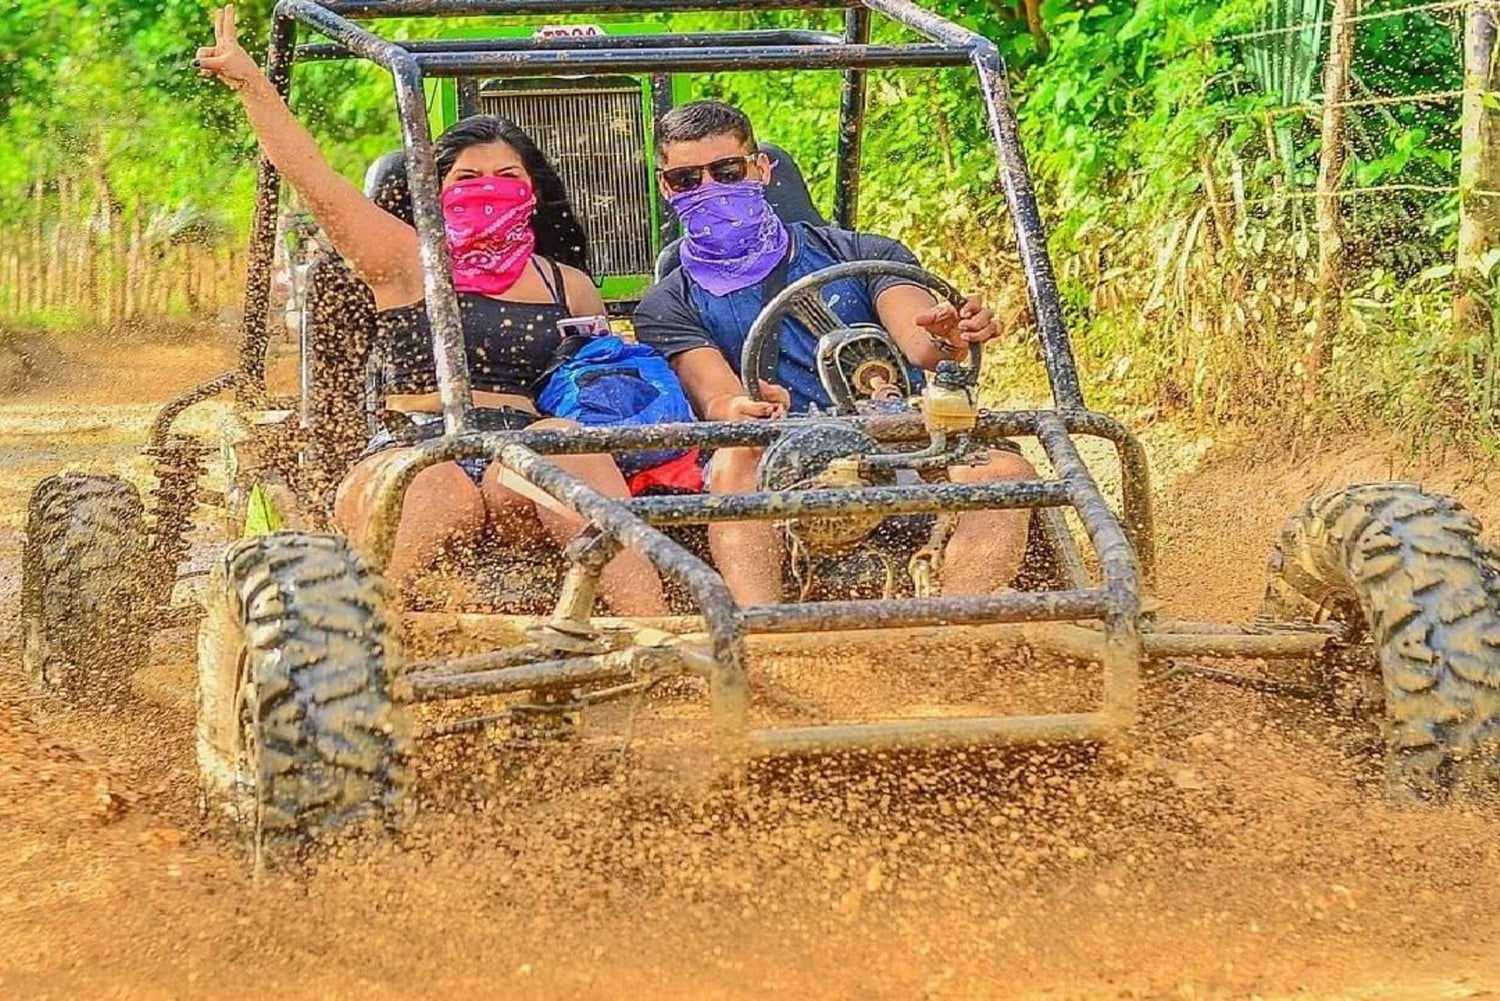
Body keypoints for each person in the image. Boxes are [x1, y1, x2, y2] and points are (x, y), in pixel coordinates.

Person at [195, 6, 667, 615]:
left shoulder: (567, 285)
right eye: (469, 177)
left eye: (506, 176)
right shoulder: (403, 261)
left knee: (565, 445)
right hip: (409, 452)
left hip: (517, 460)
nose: (488, 187)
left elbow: (594, 383)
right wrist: (252, 83)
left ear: (531, 191)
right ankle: (360, 638)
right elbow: (313, 179)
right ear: (434, 192)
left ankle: (664, 637)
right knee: (443, 487)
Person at [633, 100, 1035, 606]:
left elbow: (921, 342)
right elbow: (716, 396)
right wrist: (745, 406)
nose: (711, 189)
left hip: (891, 434)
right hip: (773, 448)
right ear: (669, 189)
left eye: (728, 171)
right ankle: (762, 631)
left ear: (760, 168)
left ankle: (952, 622)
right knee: (736, 453)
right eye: (690, 179)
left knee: (1003, 473)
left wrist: (947, 335)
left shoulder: (864, 254)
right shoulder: (668, 301)